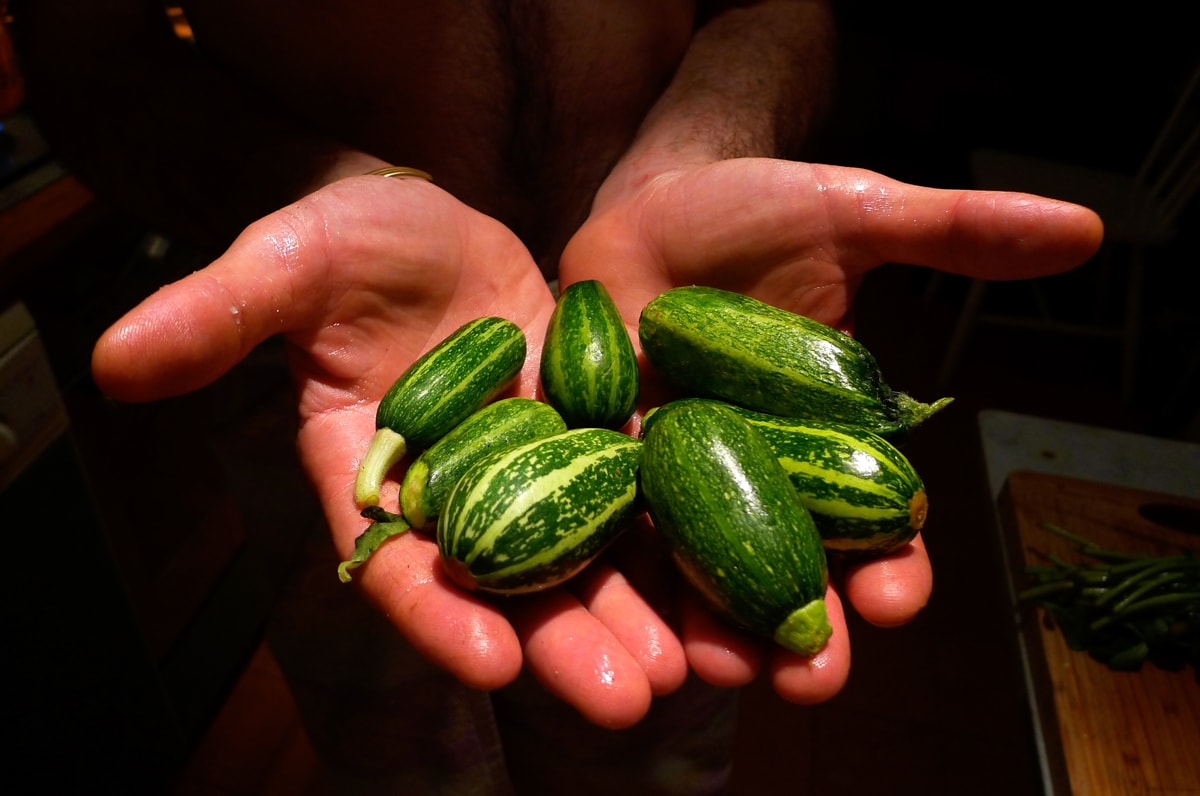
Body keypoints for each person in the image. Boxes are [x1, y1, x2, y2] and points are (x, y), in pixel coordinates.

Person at [11, 1, 1103, 792]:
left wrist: (693, 148)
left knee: (649, 759)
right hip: (338, 346)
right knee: (404, 771)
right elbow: (84, 56)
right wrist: (324, 187)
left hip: (662, 346)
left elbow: (784, 7)